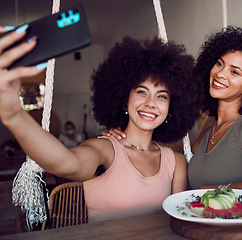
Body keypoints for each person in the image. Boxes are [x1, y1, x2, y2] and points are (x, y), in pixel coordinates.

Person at [0, 24, 203, 222]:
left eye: (162, 96)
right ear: (124, 98)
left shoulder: (175, 162)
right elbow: (64, 164)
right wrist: (13, 115)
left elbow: (179, 222)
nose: (151, 104)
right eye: (142, 92)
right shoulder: (104, 149)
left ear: (172, 107)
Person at [107, 26, 242, 200]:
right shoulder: (206, 134)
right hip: (205, 229)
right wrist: (126, 141)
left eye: (234, 72)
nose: (220, 74)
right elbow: (171, 166)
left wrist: (207, 192)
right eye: (219, 64)